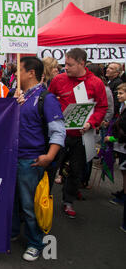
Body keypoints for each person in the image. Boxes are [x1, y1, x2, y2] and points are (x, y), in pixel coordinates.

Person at [10, 56, 65, 261]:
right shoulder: (16, 95)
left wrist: (49, 157)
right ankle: (14, 231)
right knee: (13, 200)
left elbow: (58, 131)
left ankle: (35, 242)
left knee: (28, 204)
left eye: (19, 71)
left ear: (30, 73)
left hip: (31, 160)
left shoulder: (46, 98)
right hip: (13, 158)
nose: (16, 75)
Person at [48, 48, 108, 218]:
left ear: (82, 63)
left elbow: (102, 106)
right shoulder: (59, 80)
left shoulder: (96, 83)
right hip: (59, 134)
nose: (65, 67)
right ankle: (44, 198)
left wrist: (92, 123)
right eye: (65, 63)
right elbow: (49, 100)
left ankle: (68, 201)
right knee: (52, 166)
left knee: (76, 170)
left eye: (69, 64)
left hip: (82, 136)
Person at [104, 83, 126, 208]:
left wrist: (111, 138)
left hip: (123, 146)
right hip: (121, 147)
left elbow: (123, 132)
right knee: (123, 172)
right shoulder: (122, 107)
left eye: (121, 93)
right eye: (117, 93)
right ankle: (123, 191)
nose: (118, 96)